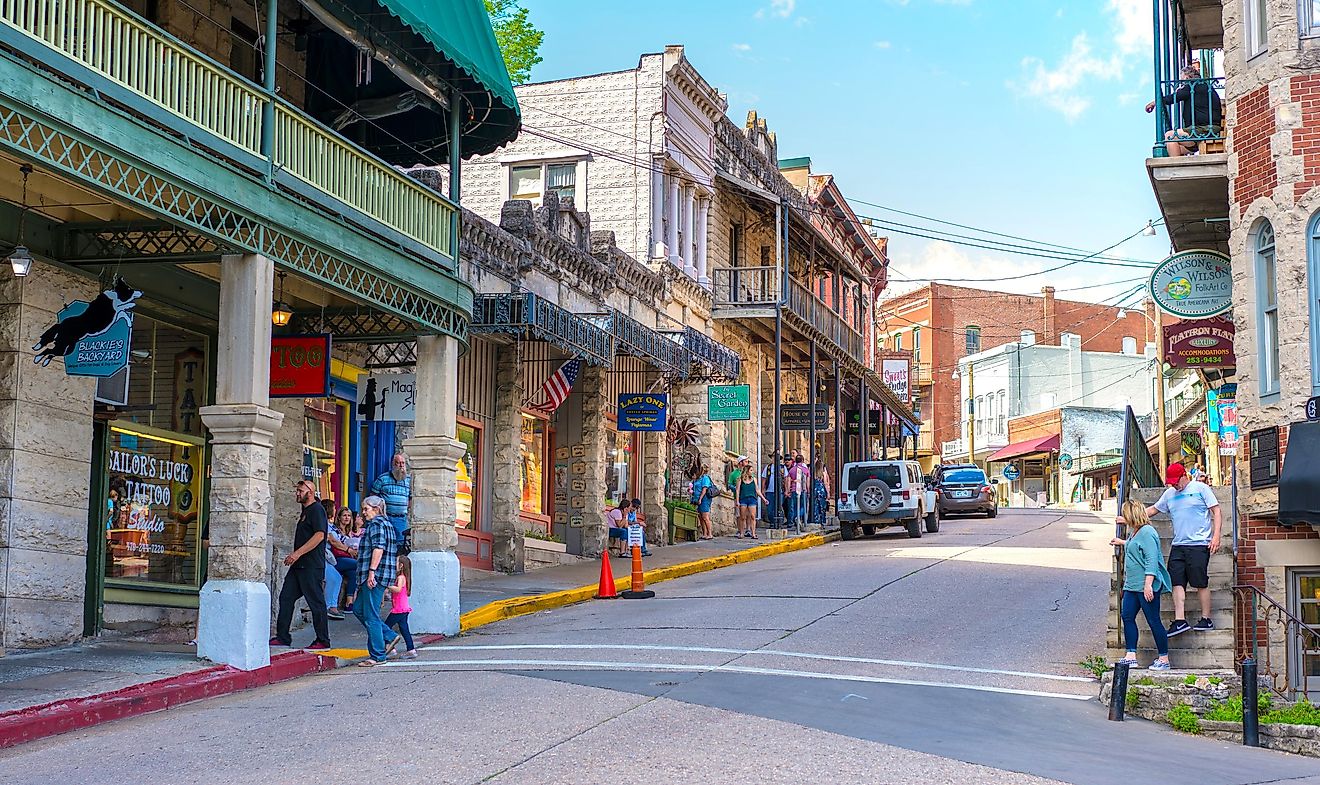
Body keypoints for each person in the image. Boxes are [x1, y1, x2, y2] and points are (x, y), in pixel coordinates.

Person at [1136, 462, 1222, 637]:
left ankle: (1206, 618)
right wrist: (1130, 518)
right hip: (1178, 545)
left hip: (1198, 544)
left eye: (1177, 481)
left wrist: (1216, 536)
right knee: (1176, 581)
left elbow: (1217, 510)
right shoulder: (1169, 494)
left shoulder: (1200, 488)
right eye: (1172, 482)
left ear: (1184, 475)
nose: (1175, 484)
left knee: (1200, 582)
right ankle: (1180, 620)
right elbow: (1153, 510)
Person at [270, 479, 331, 650]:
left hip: (311, 566)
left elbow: (319, 536)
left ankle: (323, 640)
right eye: (297, 490)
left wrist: (296, 554)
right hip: (299, 567)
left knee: (316, 602)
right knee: (286, 597)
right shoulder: (305, 511)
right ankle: (283, 637)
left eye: (300, 490)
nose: (297, 493)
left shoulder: (317, 510)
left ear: (310, 492)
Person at [1112, 499, 1173, 670]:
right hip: (1132, 585)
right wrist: (1122, 542)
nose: (1124, 517)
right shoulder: (1135, 531)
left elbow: (1151, 559)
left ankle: (1164, 659)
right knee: (1127, 616)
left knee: (1153, 620)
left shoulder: (1147, 532)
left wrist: (1148, 584)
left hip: (1145, 585)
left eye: (1126, 514)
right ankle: (1130, 655)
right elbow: (1135, 546)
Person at [353, 495, 401, 666]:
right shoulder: (387, 525)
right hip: (378, 574)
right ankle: (388, 635)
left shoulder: (376, 524)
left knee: (371, 615)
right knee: (359, 609)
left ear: (377, 509)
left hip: (375, 575)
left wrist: (371, 572)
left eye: (366, 509)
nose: (363, 513)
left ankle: (377, 655)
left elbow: (378, 549)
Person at [1145, 64, 1222, 157]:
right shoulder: (1206, 87)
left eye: (1182, 80)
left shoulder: (1192, 86)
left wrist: (1154, 102)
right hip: (1203, 131)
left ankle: (1175, 169)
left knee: (1170, 136)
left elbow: (1173, 98)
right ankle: (1176, 168)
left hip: (1204, 130)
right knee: (1173, 144)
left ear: (1186, 77)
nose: (1182, 83)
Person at [372, 453, 412, 547]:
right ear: (393, 464)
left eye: (403, 463)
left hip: (401, 518)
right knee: (383, 543)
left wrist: (405, 508)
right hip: (386, 517)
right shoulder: (382, 479)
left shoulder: (409, 480)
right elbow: (373, 497)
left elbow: (411, 498)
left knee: (400, 545)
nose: (401, 466)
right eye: (398, 463)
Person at [384, 553, 417, 660]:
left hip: (398, 609)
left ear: (401, 565)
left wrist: (387, 585)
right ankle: (411, 649)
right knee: (404, 629)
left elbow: (398, 589)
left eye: (396, 562)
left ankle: (390, 647)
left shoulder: (401, 577)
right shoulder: (402, 577)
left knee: (385, 627)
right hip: (403, 608)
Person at [330, 507, 361, 611]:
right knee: (360, 565)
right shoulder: (334, 529)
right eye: (344, 515)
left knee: (353, 572)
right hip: (337, 559)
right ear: (339, 517)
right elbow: (334, 543)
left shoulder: (349, 532)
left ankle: (349, 602)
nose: (347, 518)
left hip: (347, 559)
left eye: (349, 515)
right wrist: (349, 549)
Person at [735, 457, 766, 539]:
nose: (752, 472)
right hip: (743, 499)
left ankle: (753, 533)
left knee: (752, 516)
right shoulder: (740, 479)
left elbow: (757, 490)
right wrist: (737, 501)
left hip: (752, 499)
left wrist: (763, 499)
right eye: (751, 470)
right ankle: (741, 533)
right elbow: (737, 490)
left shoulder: (754, 479)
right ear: (747, 470)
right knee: (742, 517)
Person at [689, 463, 716, 540]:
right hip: (696, 499)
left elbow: (704, 490)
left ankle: (709, 533)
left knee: (705, 516)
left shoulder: (705, 478)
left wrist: (700, 499)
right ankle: (704, 533)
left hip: (704, 499)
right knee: (700, 516)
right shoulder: (697, 479)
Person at [761, 453, 786, 527]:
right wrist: (763, 489)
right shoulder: (768, 467)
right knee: (770, 508)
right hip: (769, 491)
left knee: (779, 507)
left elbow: (787, 478)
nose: (774, 459)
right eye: (773, 457)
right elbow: (764, 478)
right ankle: (772, 522)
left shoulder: (782, 467)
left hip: (780, 491)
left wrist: (787, 490)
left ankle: (779, 523)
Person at [788, 455, 811, 529]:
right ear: (803, 461)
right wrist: (808, 491)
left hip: (794, 490)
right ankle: (798, 516)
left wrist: (788, 490)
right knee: (803, 506)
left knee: (794, 507)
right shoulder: (806, 470)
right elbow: (807, 482)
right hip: (803, 490)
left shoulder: (791, 470)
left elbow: (788, 481)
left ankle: (796, 518)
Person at [811, 457, 830, 527]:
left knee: (815, 506)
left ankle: (816, 521)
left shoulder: (813, 473)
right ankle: (822, 522)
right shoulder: (823, 473)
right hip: (821, 491)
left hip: (815, 490)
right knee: (822, 507)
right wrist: (828, 493)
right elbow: (825, 483)